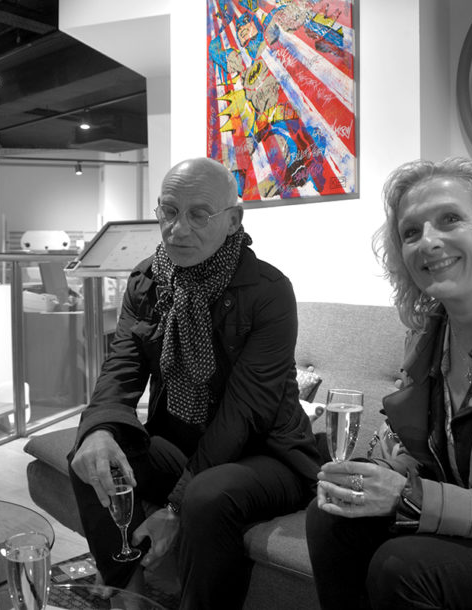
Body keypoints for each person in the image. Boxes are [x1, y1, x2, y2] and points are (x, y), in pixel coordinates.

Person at [69, 157, 320, 609]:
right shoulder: (147, 281)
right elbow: (121, 368)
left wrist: (176, 506)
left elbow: (246, 412)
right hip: (182, 446)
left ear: (233, 220)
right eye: (168, 211)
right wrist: (100, 429)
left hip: (270, 455)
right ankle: (129, 592)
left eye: (198, 214)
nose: (178, 229)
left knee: (206, 495)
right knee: (92, 456)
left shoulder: (268, 291)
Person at [306, 156, 472, 610]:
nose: (428, 241)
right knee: (332, 515)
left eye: (450, 219)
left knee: (402, 567)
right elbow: (432, 455)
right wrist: (387, 472)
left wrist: (411, 495)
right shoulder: (429, 335)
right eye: (411, 232)